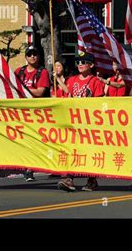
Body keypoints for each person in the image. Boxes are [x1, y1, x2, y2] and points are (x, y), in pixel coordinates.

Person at [57, 51, 104, 192]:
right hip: (73, 122)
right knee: (72, 149)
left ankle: (92, 179)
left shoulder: (96, 81)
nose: (80, 65)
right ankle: (68, 178)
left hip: (89, 123)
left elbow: (100, 103)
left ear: (91, 65)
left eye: (83, 62)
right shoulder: (72, 80)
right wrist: (58, 79)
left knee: (88, 151)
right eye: (78, 62)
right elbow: (68, 95)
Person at [15, 46, 51, 182]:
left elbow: (40, 92)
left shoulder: (42, 72)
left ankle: (33, 167)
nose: (32, 57)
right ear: (25, 57)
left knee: (37, 141)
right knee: (24, 141)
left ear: (39, 57)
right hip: (21, 112)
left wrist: (23, 90)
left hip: (37, 113)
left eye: (35, 54)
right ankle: (27, 167)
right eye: (29, 54)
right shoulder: (19, 71)